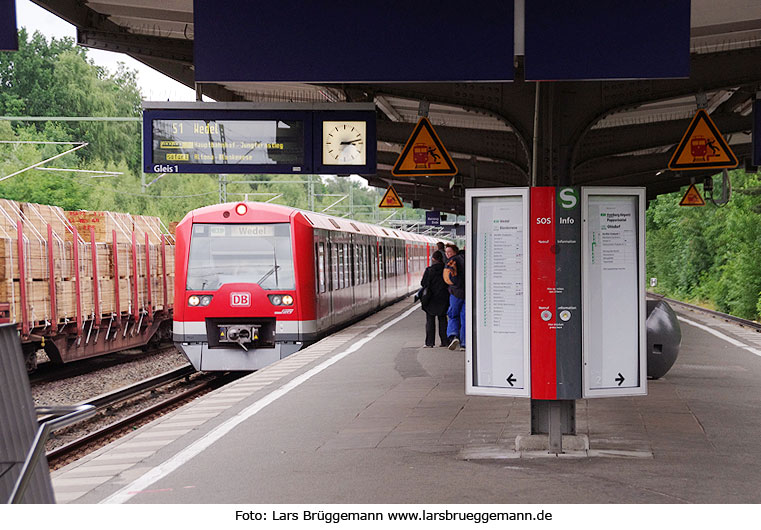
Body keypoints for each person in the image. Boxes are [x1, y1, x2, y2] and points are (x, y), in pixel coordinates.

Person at [420, 250, 449, 347]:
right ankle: (445, 341)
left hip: (430, 299)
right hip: (443, 298)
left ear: (433, 259)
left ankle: (429, 343)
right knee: (443, 320)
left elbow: (423, 283)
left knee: (430, 321)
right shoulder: (445, 269)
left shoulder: (429, 270)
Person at [443, 243, 465, 350]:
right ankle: (464, 343)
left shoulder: (451, 262)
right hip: (467, 294)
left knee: (452, 315)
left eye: (449, 252)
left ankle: (453, 336)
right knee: (465, 318)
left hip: (456, 293)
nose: (447, 254)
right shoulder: (467, 259)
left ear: (455, 252)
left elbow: (448, 280)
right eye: (446, 252)